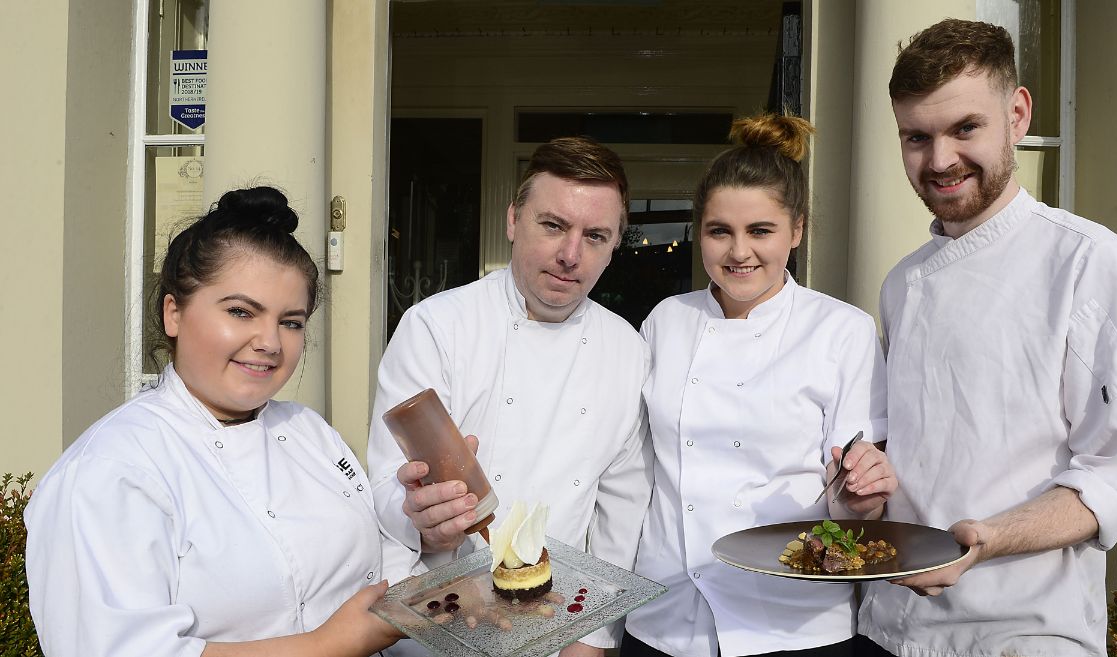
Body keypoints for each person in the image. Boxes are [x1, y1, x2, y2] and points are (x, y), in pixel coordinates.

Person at [856, 19, 1117, 657]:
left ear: (1017, 114)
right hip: (888, 627)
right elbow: (908, 453)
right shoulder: (900, 282)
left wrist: (987, 538)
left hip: (1023, 632)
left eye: (965, 128)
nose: (939, 161)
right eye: (917, 137)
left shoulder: (1089, 262)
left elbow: (1112, 476)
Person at [25, 187, 412, 657]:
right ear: (174, 313)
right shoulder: (111, 470)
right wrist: (330, 645)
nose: (269, 341)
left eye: (291, 322)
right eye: (241, 312)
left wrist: (430, 531)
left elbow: (371, 564)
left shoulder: (310, 433)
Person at [621, 115, 895, 657]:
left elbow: (854, 506)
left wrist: (863, 493)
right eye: (720, 231)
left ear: (796, 230)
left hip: (794, 621)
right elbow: (634, 466)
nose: (738, 251)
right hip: (666, 616)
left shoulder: (841, 330)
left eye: (760, 231)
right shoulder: (665, 321)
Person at [366, 136, 651, 656]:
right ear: (513, 220)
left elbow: (622, 508)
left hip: (557, 627)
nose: (570, 255)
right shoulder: (437, 325)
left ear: (615, 246)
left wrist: (593, 636)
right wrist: (424, 522)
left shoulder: (627, 350)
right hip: (435, 623)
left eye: (595, 236)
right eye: (553, 226)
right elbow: (386, 485)